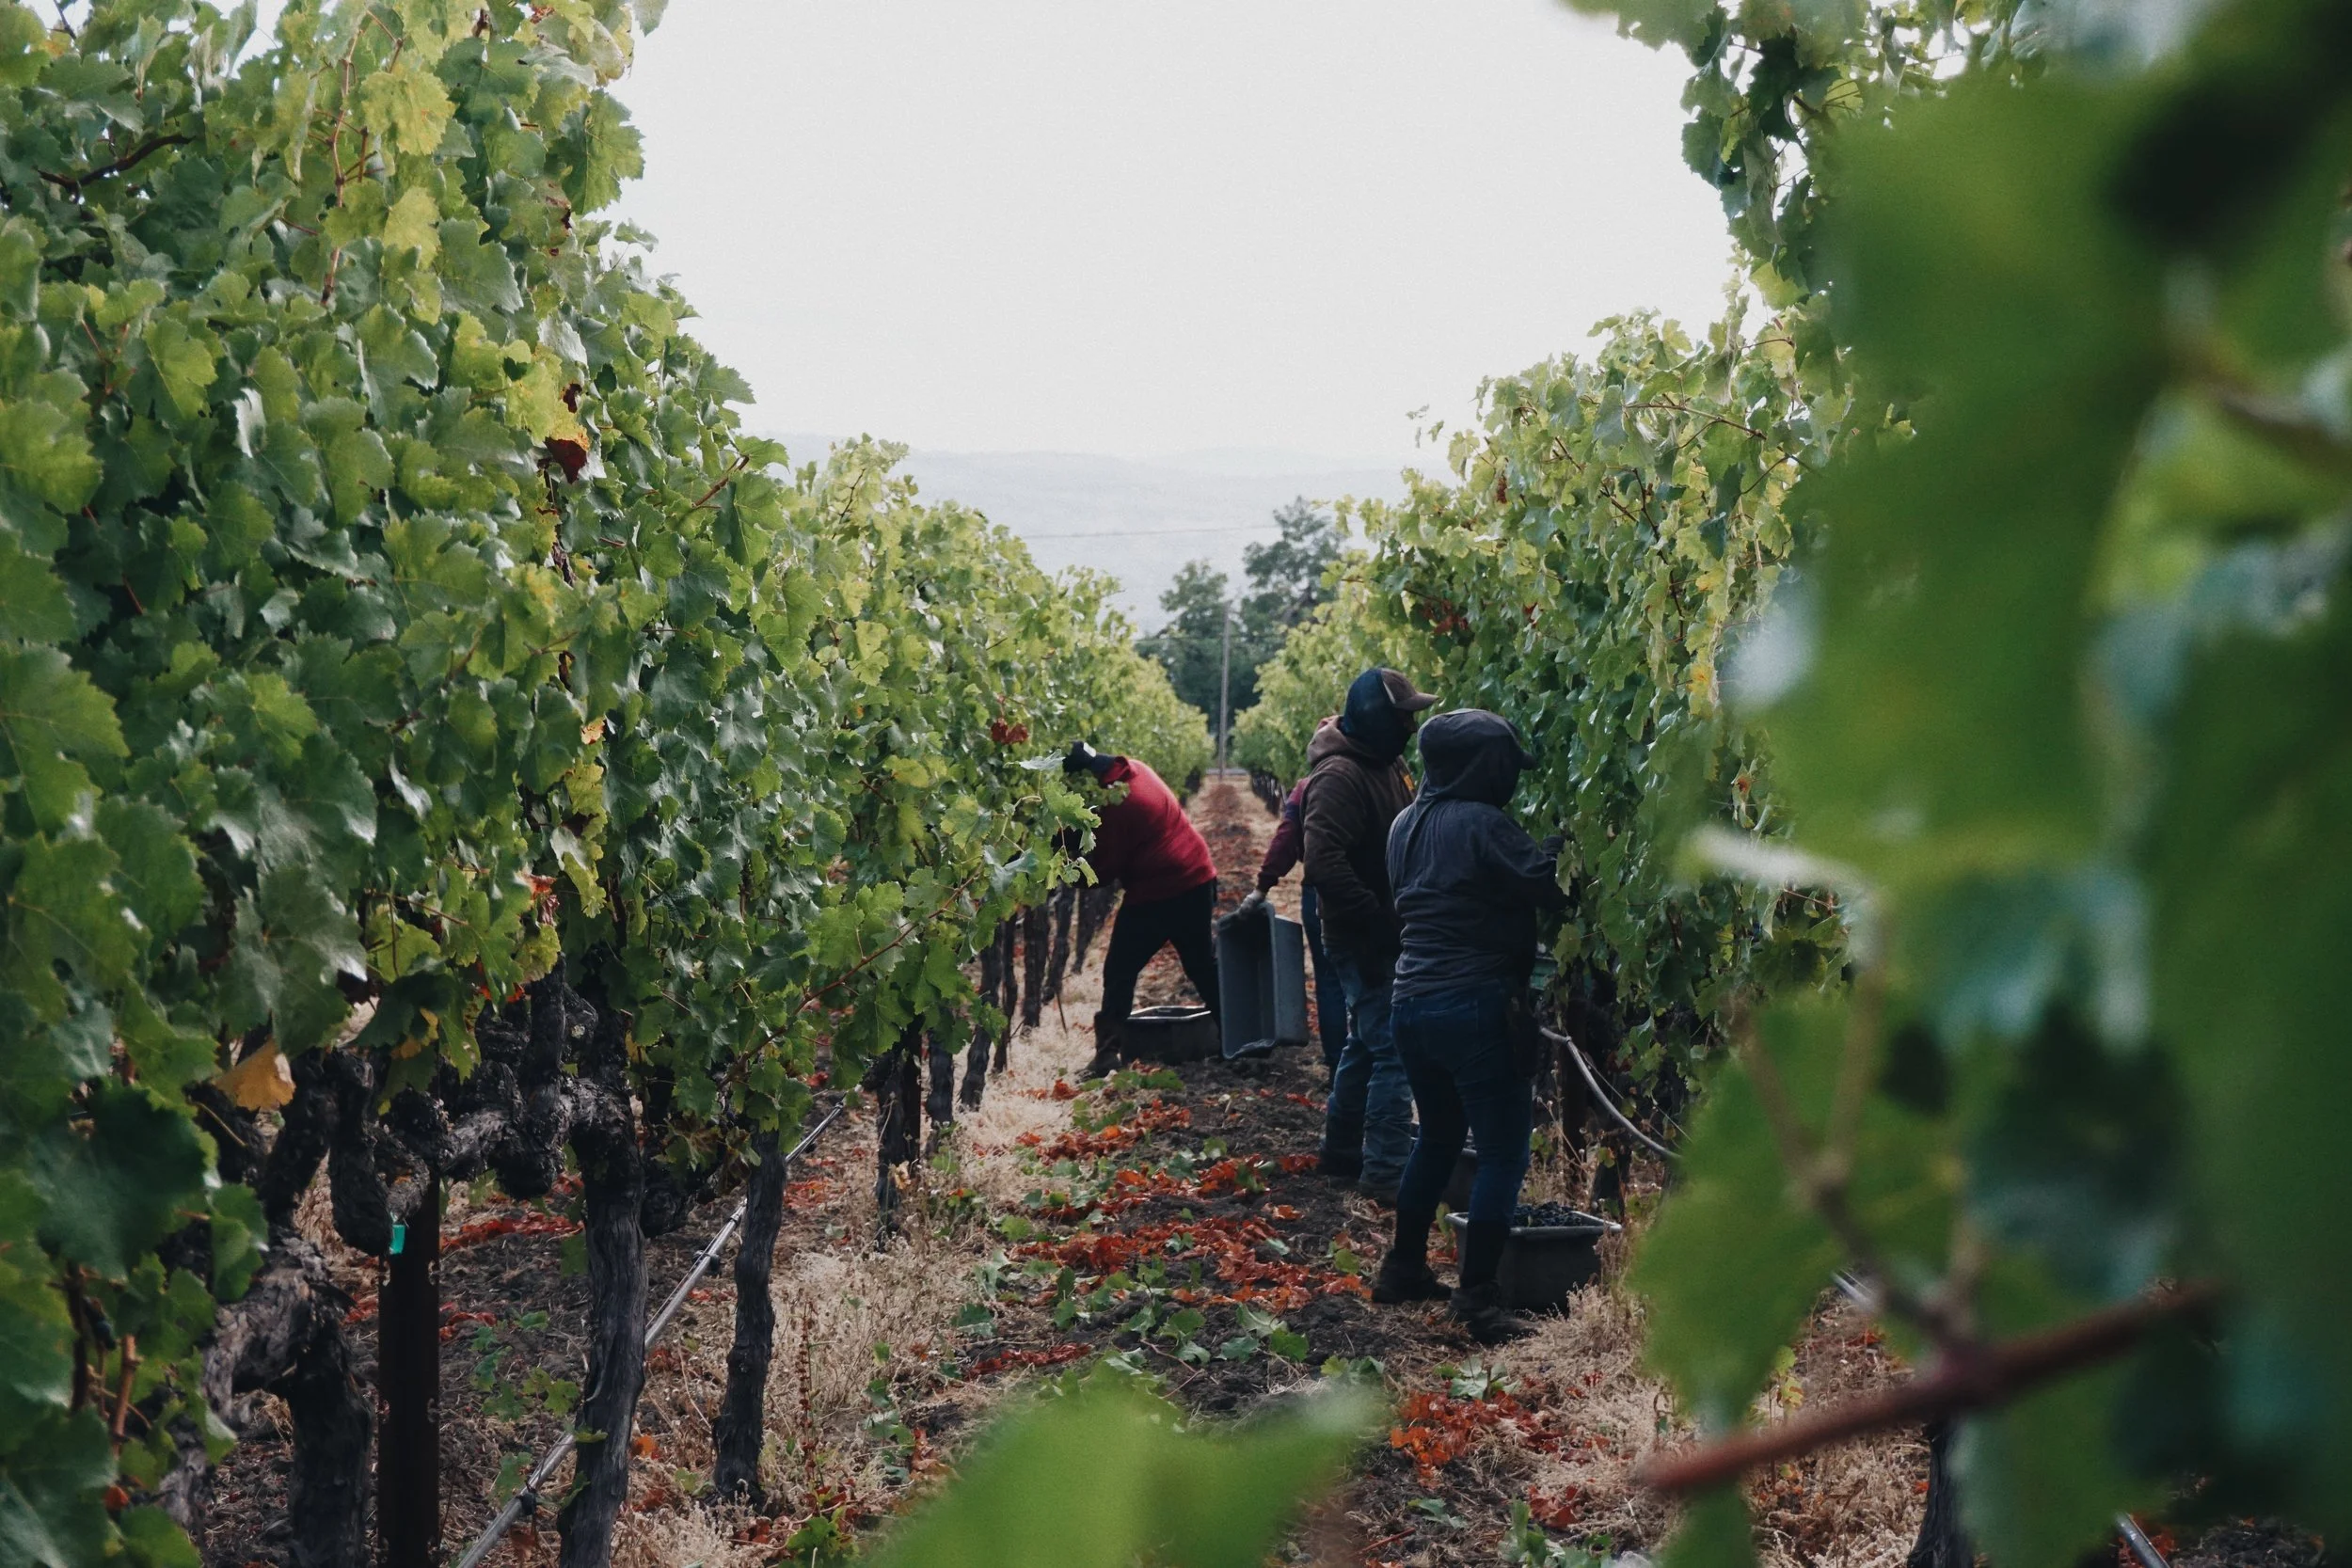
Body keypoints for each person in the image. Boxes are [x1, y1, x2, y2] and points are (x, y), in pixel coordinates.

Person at [1372, 709, 1566, 1344]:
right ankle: (1477, 1298)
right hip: (1474, 1004)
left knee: (1437, 1136)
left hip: (1411, 1003)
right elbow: (1547, 885)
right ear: (1484, 766)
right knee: (1505, 1151)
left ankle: (1402, 1266)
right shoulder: (1483, 823)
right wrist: (1566, 846)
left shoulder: (1405, 823)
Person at [1302, 668, 1437, 1203]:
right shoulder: (1339, 776)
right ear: (1380, 720)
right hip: (1362, 938)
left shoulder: (1388, 761)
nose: (1411, 726)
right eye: (1403, 716)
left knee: (1365, 1042)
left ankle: (1340, 1151)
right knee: (1393, 1054)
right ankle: (1384, 1175)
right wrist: (1380, 922)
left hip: (1384, 931)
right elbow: (1323, 865)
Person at [1065, 741, 1220, 1077]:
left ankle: (1107, 1054)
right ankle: (1235, 1034)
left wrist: (1062, 869)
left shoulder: (1119, 806)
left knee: (1120, 968)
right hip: (1197, 875)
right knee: (1201, 963)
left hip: (1163, 890)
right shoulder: (1136, 768)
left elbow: (1103, 872)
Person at [1232, 719, 1347, 1069]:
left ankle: (1339, 1068)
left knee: (1330, 981)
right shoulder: (1381, 776)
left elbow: (1286, 839)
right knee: (1373, 982)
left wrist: (1262, 887)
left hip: (1323, 892)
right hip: (1376, 892)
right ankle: (1375, 1067)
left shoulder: (1307, 786)